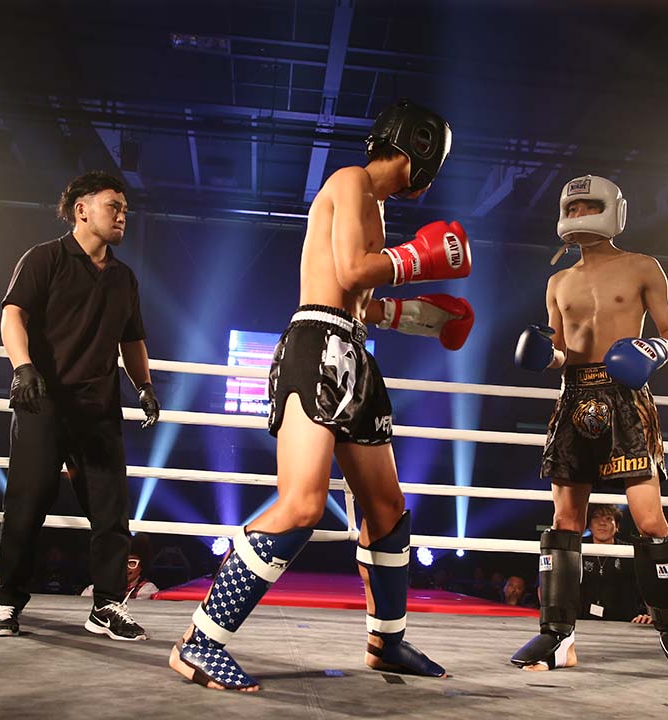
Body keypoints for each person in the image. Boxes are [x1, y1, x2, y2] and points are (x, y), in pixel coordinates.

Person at [169, 98, 473, 691]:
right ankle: (200, 642)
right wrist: (424, 257)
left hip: (353, 350)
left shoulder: (374, 206)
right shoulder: (351, 180)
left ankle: (387, 642)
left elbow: (361, 300)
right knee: (302, 504)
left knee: (386, 510)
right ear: (421, 157)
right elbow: (354, 270)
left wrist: (422, 316)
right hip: (317, 345)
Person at [511, 175, 668, 670]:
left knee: (649, 520)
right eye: (572, 208)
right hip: (574, 396)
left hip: (625, 394)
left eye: (587, 206)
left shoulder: (643, 266)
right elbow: (560, 349)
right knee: (565, 521)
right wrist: (545, 356)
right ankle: (557, 636)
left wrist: (655, 349)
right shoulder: (558, 282)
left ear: (611, 210)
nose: (578, 215)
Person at [0, 171, 161, 641]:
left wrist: (144, 385)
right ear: (82, 209)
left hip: (98, 409)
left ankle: (107, 605)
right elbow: (12, 314)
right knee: (26, 504)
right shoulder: (44, 258)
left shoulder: (124, 278)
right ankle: (5, 603)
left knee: (111, 511)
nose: (122, 216)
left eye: (125, 210)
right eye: (113, 207)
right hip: (43, 402)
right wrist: (23, 367)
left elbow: (133, 339)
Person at [580, 504, 648, 623]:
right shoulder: (579, 549)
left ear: (617, 526)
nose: (602, 523)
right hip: (583, 620)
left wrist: (648, 614)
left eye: (608, 519)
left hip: (624, 621)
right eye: (596, 518)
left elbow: (646, 586)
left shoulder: (630, 552)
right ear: (590, 526)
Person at [82, 533, 159, 600]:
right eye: (120, 562)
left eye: (131, 563)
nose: (124, 568)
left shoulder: (147, 589)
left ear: (141, 566)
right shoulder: (94, 589)